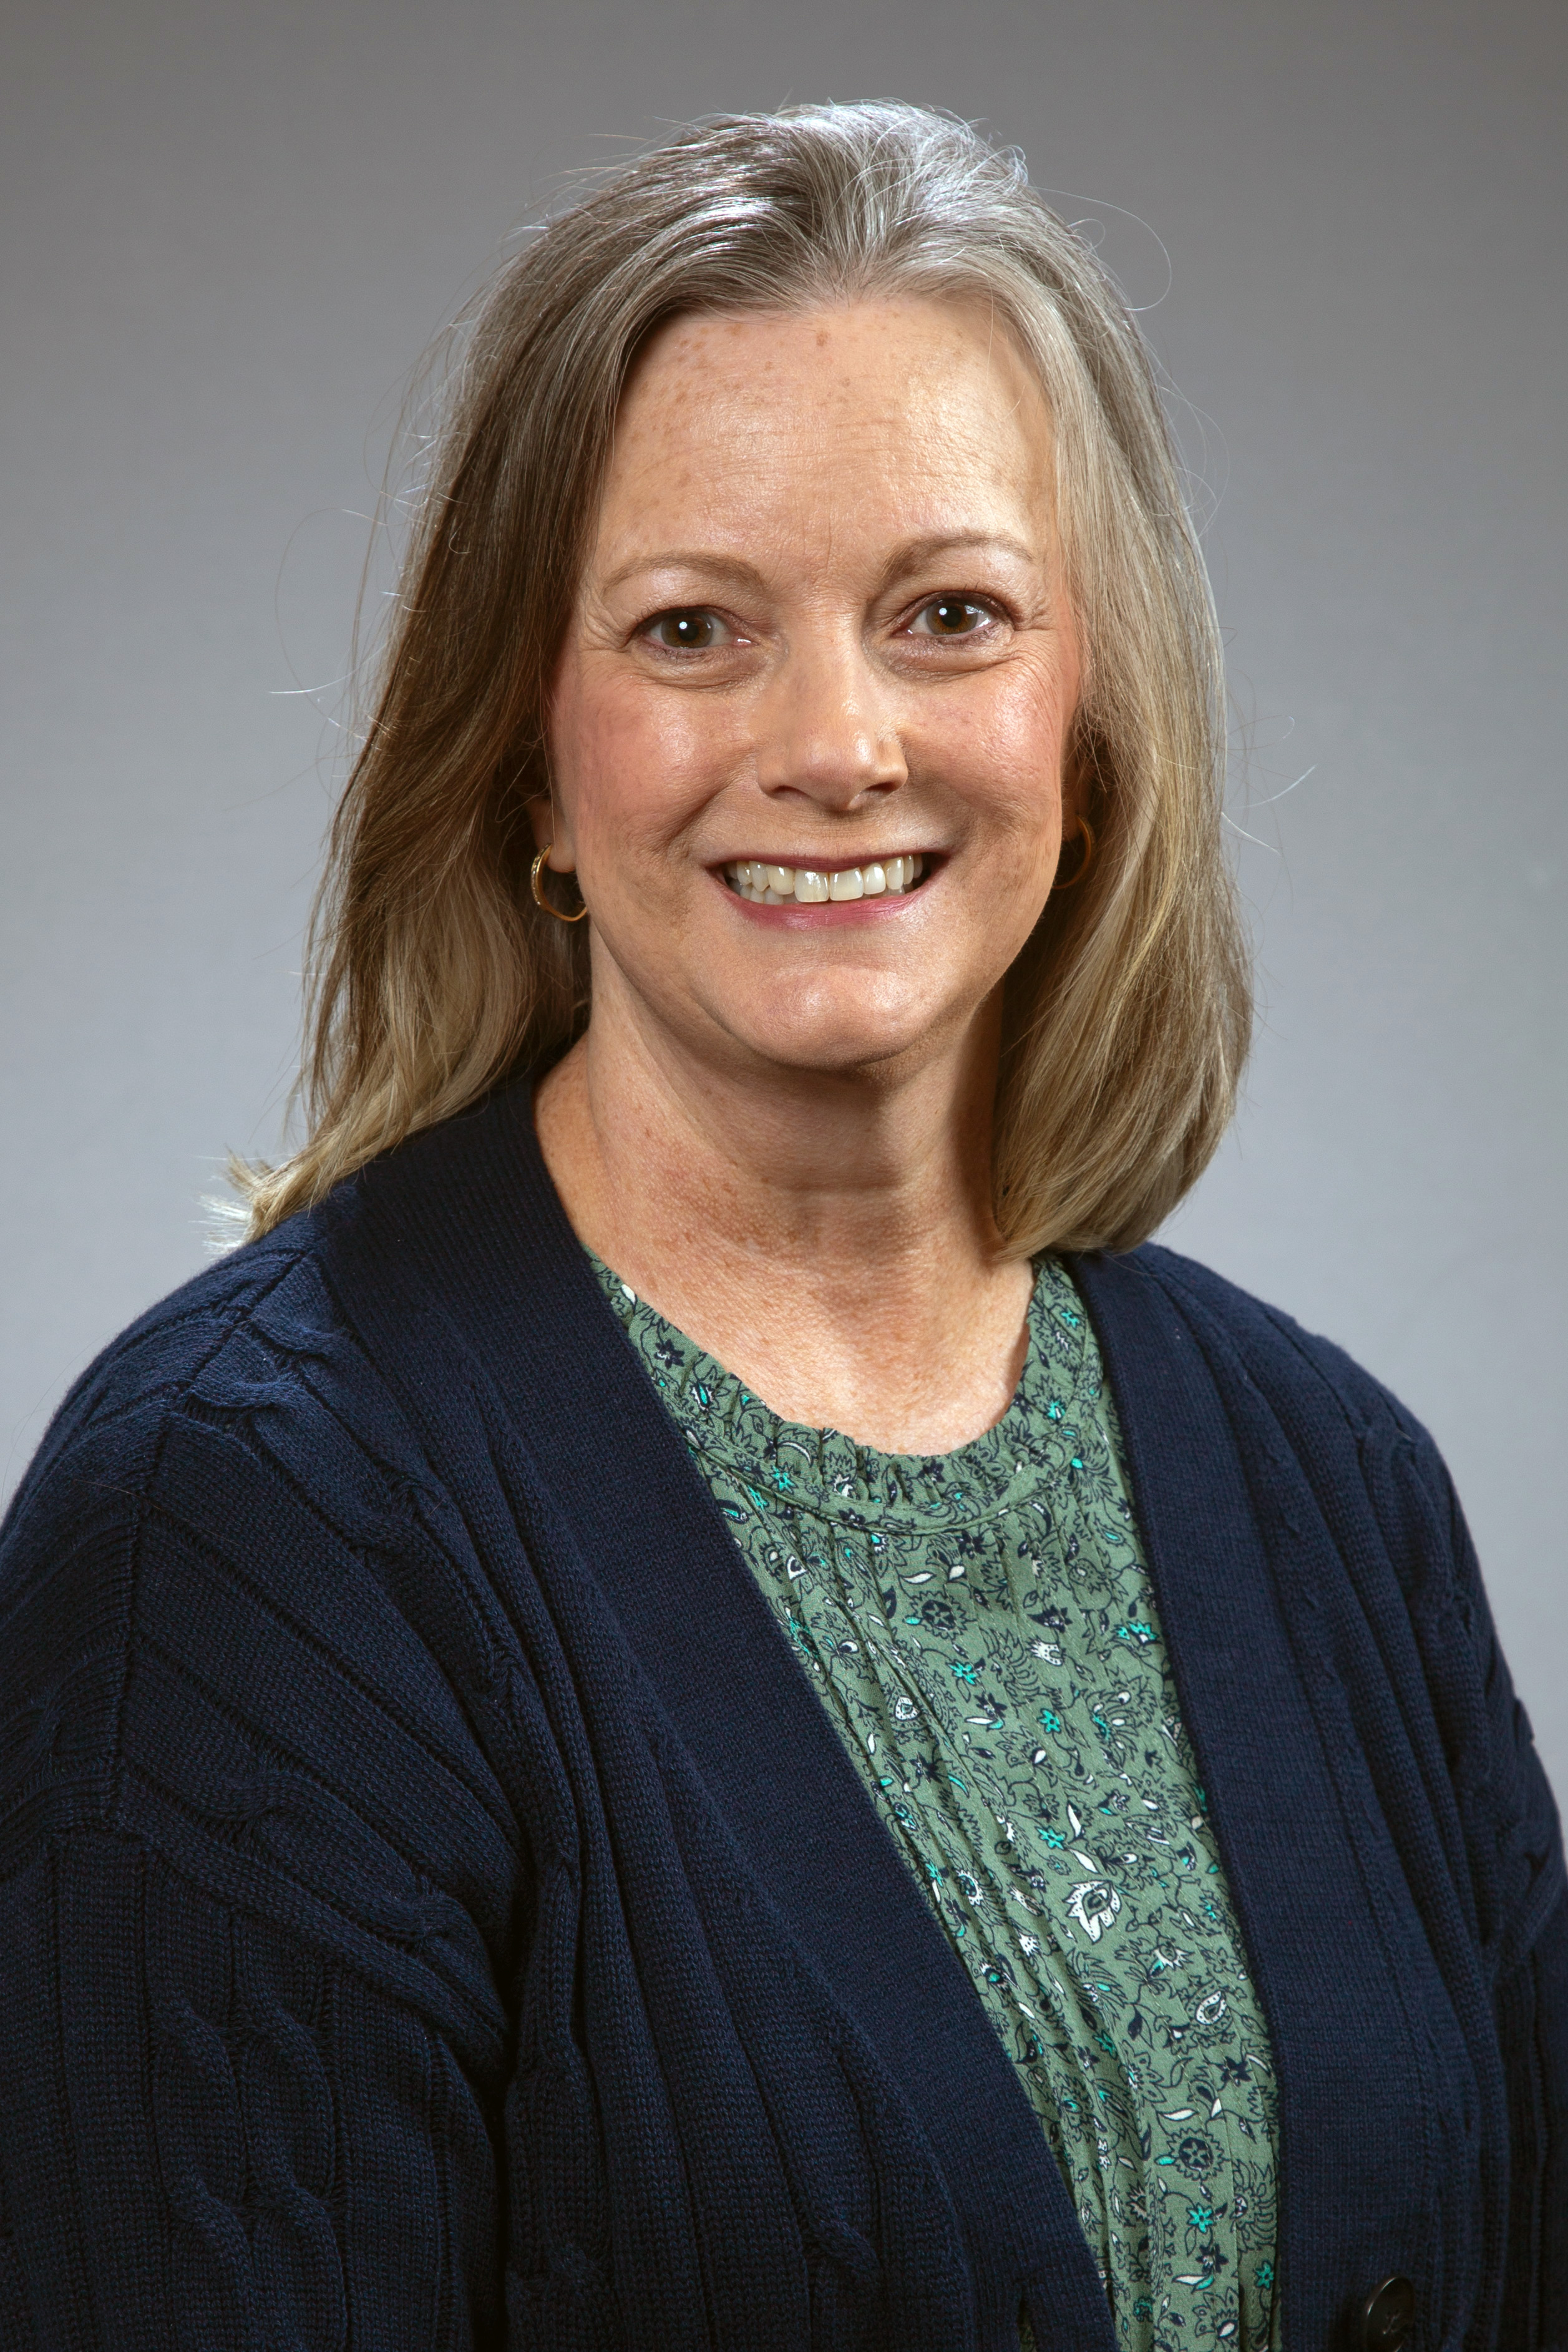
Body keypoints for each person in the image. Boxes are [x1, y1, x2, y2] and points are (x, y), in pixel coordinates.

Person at [0, 102, 1560, 2352]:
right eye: (691, 627)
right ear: (531, 752)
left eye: (948, 614)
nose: (834, 741)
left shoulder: (1334, 1489)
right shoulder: (242, 1537)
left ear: (1085, 711)